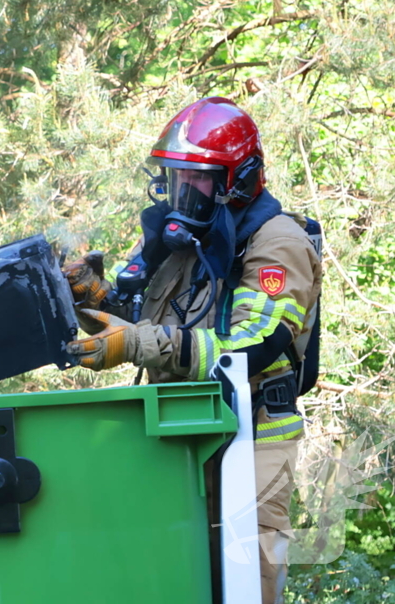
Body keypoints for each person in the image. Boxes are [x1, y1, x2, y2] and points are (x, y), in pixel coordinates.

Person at [64, 97, 322, 604]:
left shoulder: (276, 243)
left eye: (197, 178)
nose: (182, 191)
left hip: (251, 445)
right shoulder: (186, 236)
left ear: (239, 180)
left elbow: (253, 348)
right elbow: (144, 318)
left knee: (245, 589)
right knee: (173, 584)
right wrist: (93, 297)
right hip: (179, 439)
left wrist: (139, 344)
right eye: (176, 176)